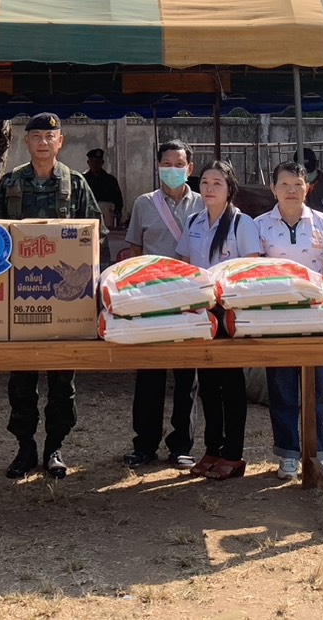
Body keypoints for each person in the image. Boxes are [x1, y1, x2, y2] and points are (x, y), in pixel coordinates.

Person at [0, 113, 106, 480]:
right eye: (35, 136)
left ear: (60, 142)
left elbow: (96, 236)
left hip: (66, 298)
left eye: (49, 137)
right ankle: (25, 448)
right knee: (21, 379)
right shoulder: (10, 183)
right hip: (21, 295)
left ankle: (55, 447)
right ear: (27, 142)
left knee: (62, 380)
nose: (42, 142)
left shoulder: (76, 184)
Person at [255, 159, 323, 481]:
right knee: (282, 387)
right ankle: (288, 454)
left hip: (317, 316)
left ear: (308, 188)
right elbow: (254, 274)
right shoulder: (259, 226)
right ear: (273, 189)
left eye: (297, 185)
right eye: (284, 185)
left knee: (320, 388)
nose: (291, 191)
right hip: (275, 317)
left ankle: (320, 452)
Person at [120, 139, 204, 469]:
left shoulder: (203, 202)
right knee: (149, 375)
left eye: (179, 164)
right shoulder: (144, 204)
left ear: (190, 168)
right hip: (151, 298)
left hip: (190, 298)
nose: (172, 170)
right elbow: (134, 251)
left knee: (187, 377)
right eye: (166, 164)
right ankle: (144, 444)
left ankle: (182, 445)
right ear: (158, 167)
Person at [183, 159, 261, 481]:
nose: (209, 188)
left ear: (230, 189)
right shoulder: (193, 221)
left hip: (229, 312)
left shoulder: (242, 224)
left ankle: (233, 454)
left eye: (217, 183)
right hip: (201, 314)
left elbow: (251, 269)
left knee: (231, 383)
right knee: (207, 384)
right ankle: (212, 449)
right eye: (204, 182)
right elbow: (185, 266)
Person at [84, 148, 125, 232]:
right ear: (88, 163)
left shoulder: (110, 180)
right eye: (92, 161)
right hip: (88, 215)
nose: (95, 164)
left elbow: (118, 200)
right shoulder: (83, 180)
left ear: (102, 163)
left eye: (97, 162)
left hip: (107, 216)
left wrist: (116, 212)